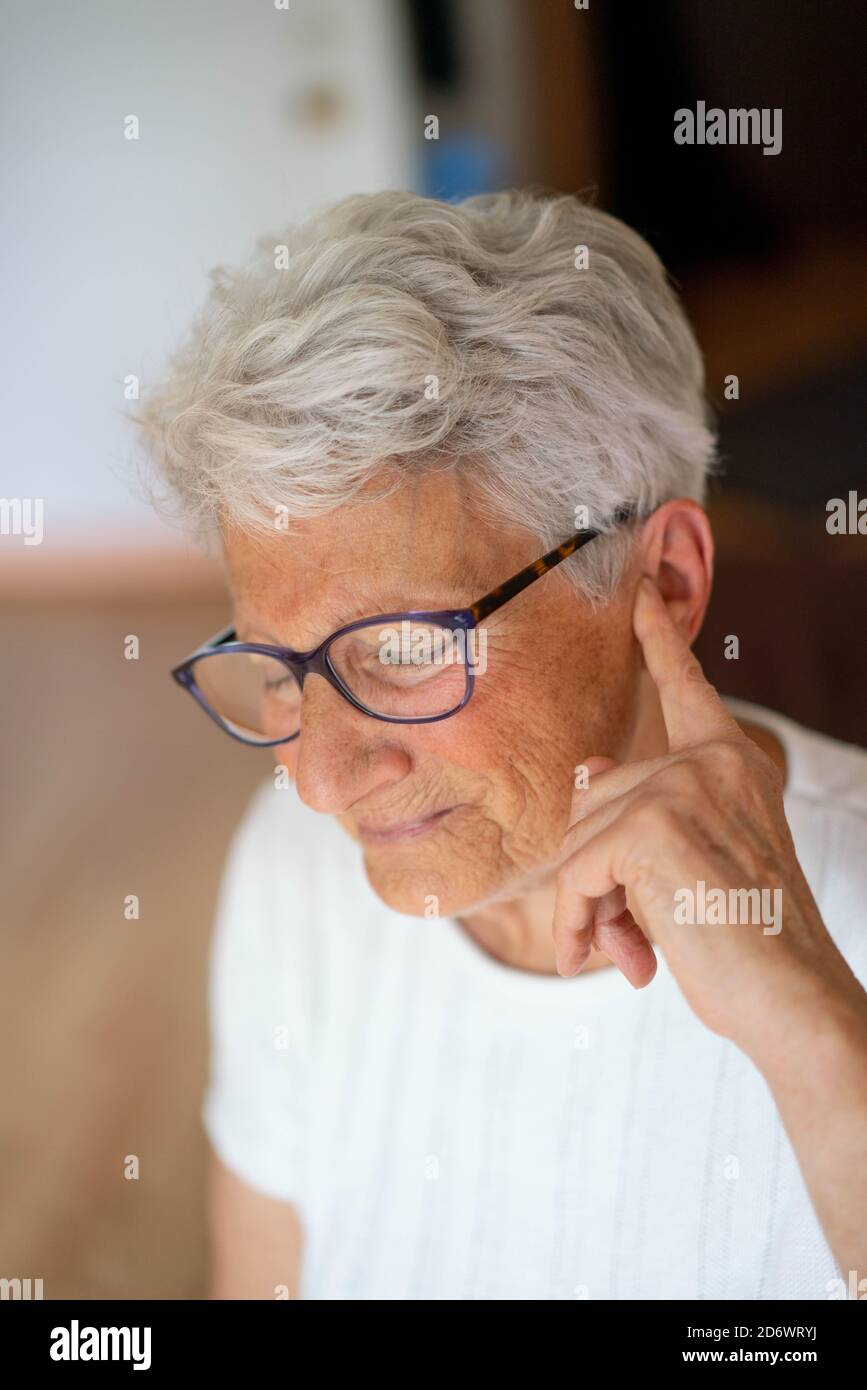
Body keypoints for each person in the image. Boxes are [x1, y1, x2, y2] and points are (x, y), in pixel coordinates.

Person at [136, 190, 867, 1300]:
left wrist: (821, 1046)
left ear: (660, 582)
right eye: (281, 667)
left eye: (400, 647)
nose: (323, 781)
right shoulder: (294, 866)